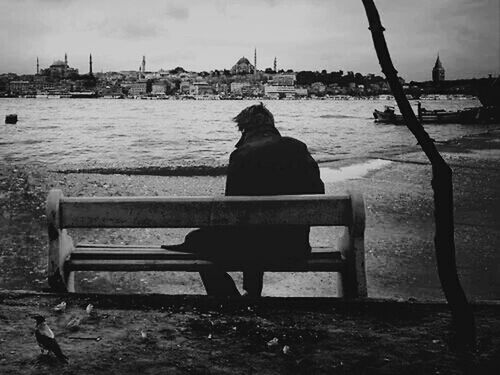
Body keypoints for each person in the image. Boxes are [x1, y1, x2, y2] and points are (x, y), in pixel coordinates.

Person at [163, 103, 324, 296]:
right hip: (295, 247)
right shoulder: (298, 148)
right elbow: (318, 193)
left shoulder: (242, 155)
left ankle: (228, 299)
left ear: (243, 128)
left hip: (254, 248)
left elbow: (233, 211)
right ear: (271, 124)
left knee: (196, 240)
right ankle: (252, 293)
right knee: (256, 232)